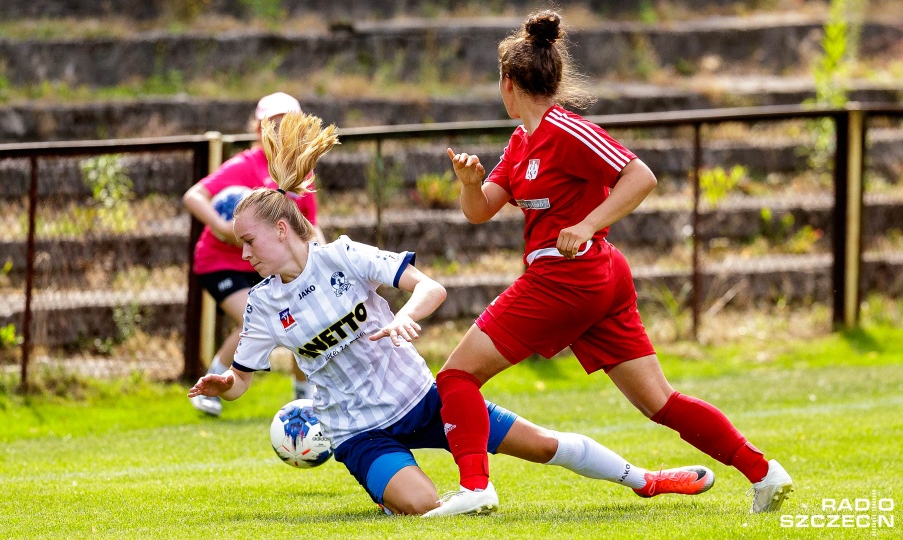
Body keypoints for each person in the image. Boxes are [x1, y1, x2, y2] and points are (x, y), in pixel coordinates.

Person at [187, 111, 718, 516]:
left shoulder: (342, 257)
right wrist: (223, 385)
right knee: (422, 506)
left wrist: (404, 316)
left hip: (422, 398)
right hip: (355, 430)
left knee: (543, 445)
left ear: (282, 229)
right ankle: (406, 484)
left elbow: (429, 288)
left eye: (250, 241)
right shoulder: (262, 305)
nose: (244, 254)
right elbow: (242, 382)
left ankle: (646, 479)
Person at [426, 10, 794, 517]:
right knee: (657, 403)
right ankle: (765, 472)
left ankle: (475, 489)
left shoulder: (567, 129)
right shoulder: (521, 143)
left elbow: (640, 176)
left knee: (456, 377)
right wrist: (469, 184)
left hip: (568, 277)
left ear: (507, 84)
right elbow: (480, 212)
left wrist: (585, 225)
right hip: (587, 281)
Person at [184, 92, 322, 416]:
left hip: (266, 264)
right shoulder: (244, 165)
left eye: (286, 123)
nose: (278, 129)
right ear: (258, 127)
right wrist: (221, 227)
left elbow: (310, 225)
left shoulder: (300, 170)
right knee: (256, 319)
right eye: (271, 123)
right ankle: (209, 385)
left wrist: (323, 256)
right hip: (220, 262)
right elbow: (194, 196)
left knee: (304, 318)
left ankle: (306, 400)